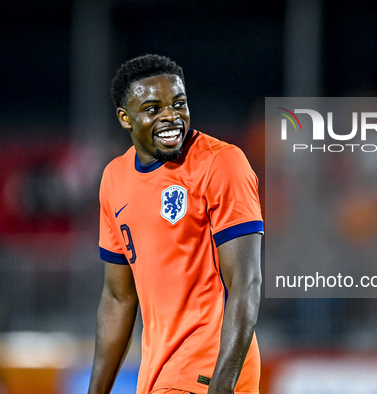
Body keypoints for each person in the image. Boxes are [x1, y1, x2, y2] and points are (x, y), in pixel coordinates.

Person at [87, 54, 263, 394]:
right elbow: (118, 297)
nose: (170, 116)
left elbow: (246, 282)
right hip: (157, 374)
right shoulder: (114, 179)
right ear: (126, 119)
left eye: (178, 104)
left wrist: (220, 387)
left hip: (208, 370)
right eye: (153, 109)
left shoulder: (221, 163)